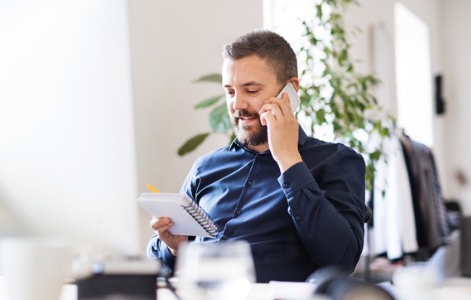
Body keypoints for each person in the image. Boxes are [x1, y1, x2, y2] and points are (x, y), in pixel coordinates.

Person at [147, 29, 367, 283]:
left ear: (290, 90)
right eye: (230, 92)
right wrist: (174, 247)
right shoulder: (206, 167)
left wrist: (288, 159)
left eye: (250, 90)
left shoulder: (336, 161)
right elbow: (155, 267)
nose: (237, 105)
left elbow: (342, 258)